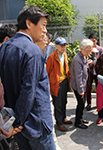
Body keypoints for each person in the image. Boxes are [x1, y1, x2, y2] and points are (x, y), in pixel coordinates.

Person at [0, 5, 56, 150]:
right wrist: (18, 121)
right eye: (43, 25)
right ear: (29, 23)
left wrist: (11, 122)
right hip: (36, 125)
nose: (45, 30)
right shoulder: (33, 50)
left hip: (16, 125)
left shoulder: (4, 47)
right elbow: (28, 91)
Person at [46, 37, 71, 132]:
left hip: (64, 81)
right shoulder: (52, 57)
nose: (63, 47)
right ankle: (59, 123)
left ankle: (63, 118)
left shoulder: (64, 55)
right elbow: (47, 72)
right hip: (56, 83)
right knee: (58, 104)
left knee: (64, 101)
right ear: (56, 46)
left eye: (64, 45)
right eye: (61, 45)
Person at [70, 39, 93, 129]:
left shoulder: (84, 56)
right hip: (78, 86)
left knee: (83, 103)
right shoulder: (77, 59)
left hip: (83, 84)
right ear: (81, 49)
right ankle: (78, 122)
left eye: (90, 50)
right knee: (80, 104)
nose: (89, 52)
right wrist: (81, 90)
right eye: (87, 50)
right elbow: (78, 77)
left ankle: (81, 119)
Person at [85, 34, 103, 111]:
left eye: (94, 40)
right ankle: (89, 103)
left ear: (96, 40)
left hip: (98, 72)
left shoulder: (100, 49)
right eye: (91, 41)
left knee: (99, 88)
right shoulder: (86, 49)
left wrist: (95, 63)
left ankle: (99, 103)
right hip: (89, 71)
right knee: (88, 88)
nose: (93, 42)